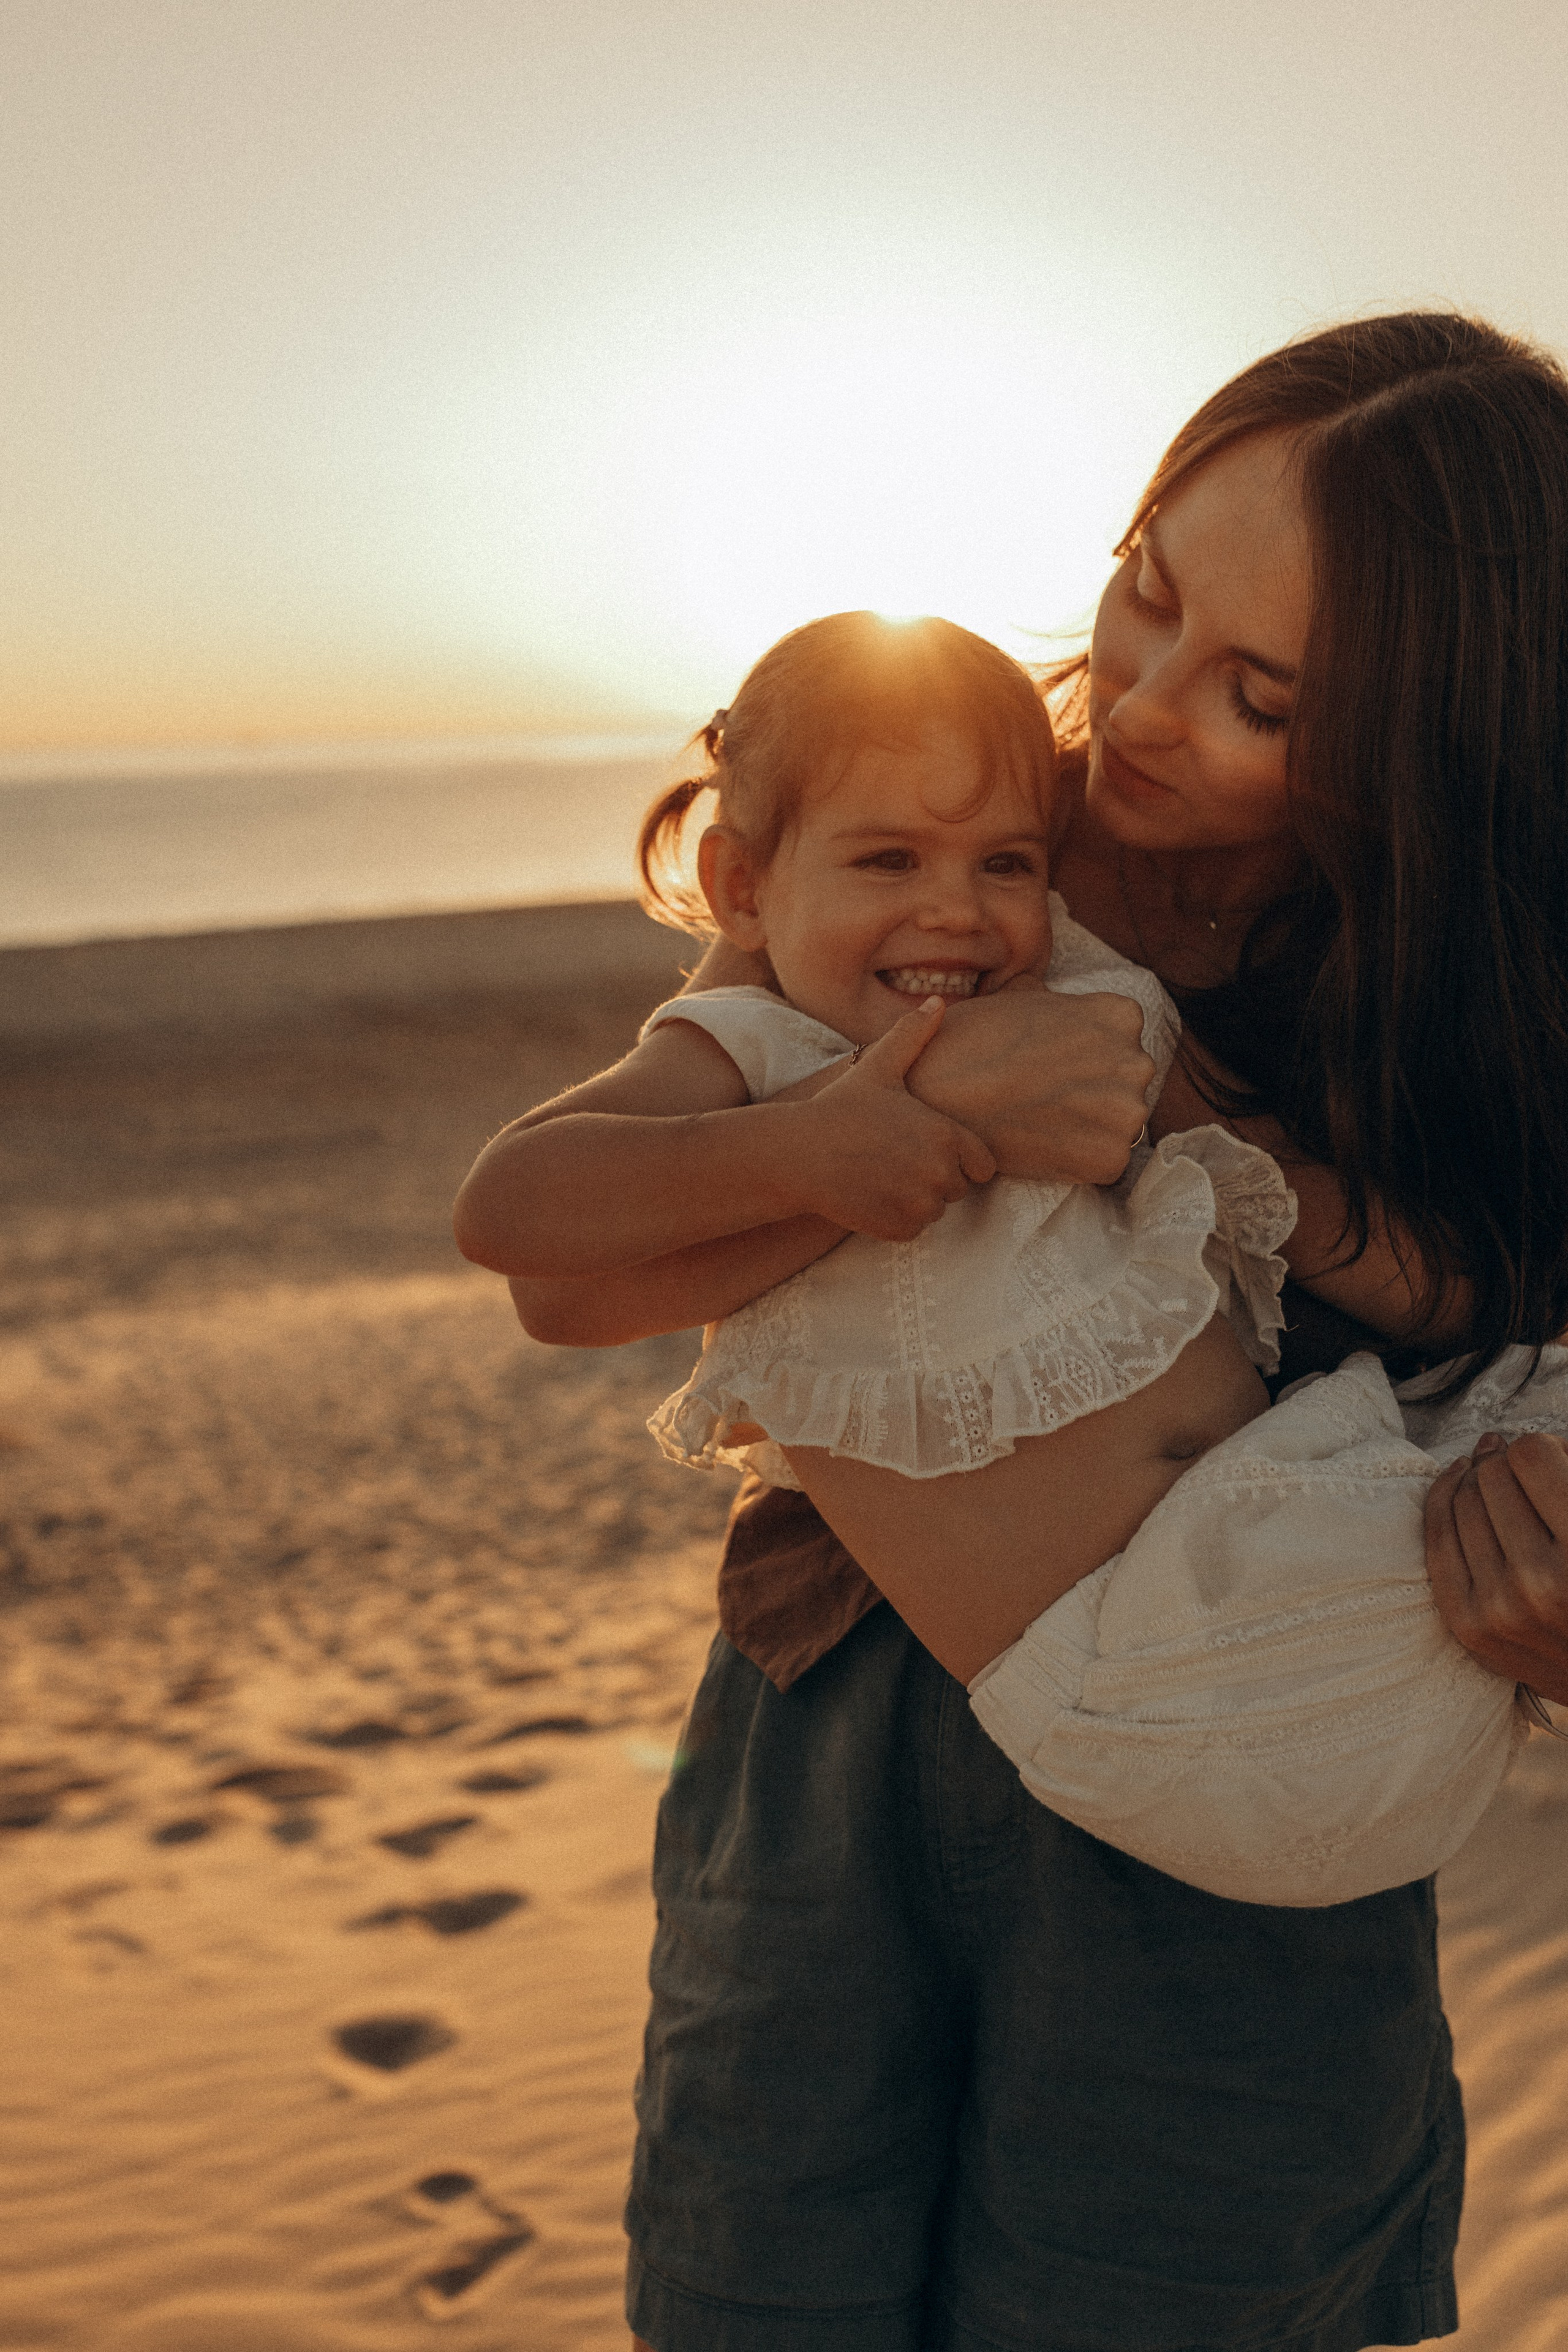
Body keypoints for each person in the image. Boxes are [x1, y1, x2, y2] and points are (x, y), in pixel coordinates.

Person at [454, 314, 1568, 2352]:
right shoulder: (940, 822)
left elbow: (1516, 1344)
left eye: (1258, 695)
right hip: (840, 1733)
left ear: (1435, 734)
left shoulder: (1486, 988)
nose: (1136, 708)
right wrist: (885, 1130)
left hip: (1243, 1851)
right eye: (1147, 588)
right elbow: (572, 1264)